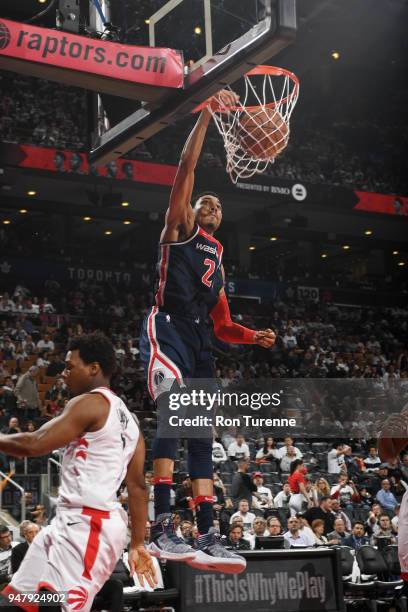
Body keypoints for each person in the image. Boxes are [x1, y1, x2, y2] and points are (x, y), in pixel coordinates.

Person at [139, 89, 275, 574]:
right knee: (174, 422)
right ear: (193, 211)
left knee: (200, 438)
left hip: (198, 340)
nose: (212, 205)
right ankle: (161, 527)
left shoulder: (218, 265)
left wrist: (252, 336)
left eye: (218, 205)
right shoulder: (178, 230)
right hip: (167, 329)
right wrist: (205, 117)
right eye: (206, 202)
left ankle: (208, 533)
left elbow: (224, 325)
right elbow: (185, 169)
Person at [0, 332, 156, 611]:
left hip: (89, 525)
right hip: (73, 523)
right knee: (23, 599)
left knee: (66, 605)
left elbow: (33, 443)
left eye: (71, 366)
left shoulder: (90, 403)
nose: (65, 374)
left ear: (94, 369)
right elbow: (137, 487)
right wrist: (138, 544)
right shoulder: (132, 423)